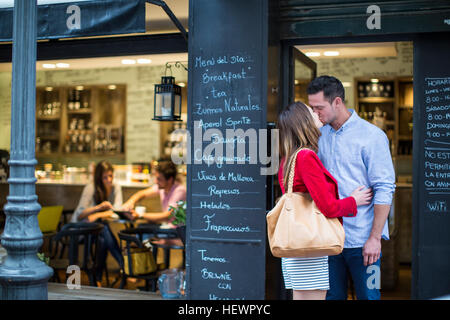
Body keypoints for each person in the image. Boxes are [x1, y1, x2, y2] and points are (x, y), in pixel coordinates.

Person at [307, 75, 396, 300]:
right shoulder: (318, 135)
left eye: (319, 108)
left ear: (337, 102)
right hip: (329, 240)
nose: (315, 114)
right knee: (331, 298)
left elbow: (385, 188)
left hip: (364, 241)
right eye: (312, 108)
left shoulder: (373, 136)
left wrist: (375, 238)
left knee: (370, 296)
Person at [277, 101, 373, 300]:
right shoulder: (306, 157)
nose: (316, 113)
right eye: (311, 112)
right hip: (310, 247)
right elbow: (328, 207)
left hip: (296, 245)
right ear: (304, 121)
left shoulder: (289, 159)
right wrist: (353, 201)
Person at [71, 160, 124, 286]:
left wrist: (99, 214)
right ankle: (125, 266)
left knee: (103, 237)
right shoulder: (91, 188)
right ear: (99, 178)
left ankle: (98, 279)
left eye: (111, 176)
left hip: (96, 231)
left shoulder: (116, 187)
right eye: (105, 177)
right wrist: (98, 208)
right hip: (78, 230)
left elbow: (117, 210)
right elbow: (80, 216)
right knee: (103, 229)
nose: (109, 180)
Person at [122, 159, 186, 228]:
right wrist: (130, 202)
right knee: (141, 228)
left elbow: (168, 216)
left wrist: (140, 215)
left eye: (159, 179)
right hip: (168, 228)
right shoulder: (163, 187)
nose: (155, 181)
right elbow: (142, 194)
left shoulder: (180, 191)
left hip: (178, 233)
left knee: (142, 230)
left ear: (170, 180)